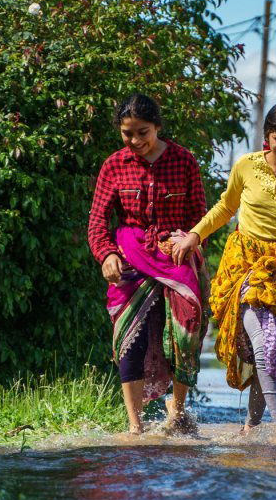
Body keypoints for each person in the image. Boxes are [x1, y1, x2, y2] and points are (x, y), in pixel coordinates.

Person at [171, 103, 276, 433]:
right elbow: (226, 208)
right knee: (266, 343)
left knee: (268, 350)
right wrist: (195, 236)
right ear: (266, 137)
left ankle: (250, 430)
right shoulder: (246, 166)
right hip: (244, 263)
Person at [88, 94, 208, 435]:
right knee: (130, 336)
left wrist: (187, 238)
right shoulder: (114, 165)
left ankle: (177, 413)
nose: (136, 141)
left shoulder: (184, 161)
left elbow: (200, 218)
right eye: (128, 134)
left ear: (157, 127)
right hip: (130, 255)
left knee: (186, 328)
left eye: (143, 132)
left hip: (176, 256)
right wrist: (106, 254)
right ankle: (135, 424)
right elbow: (97, 221)